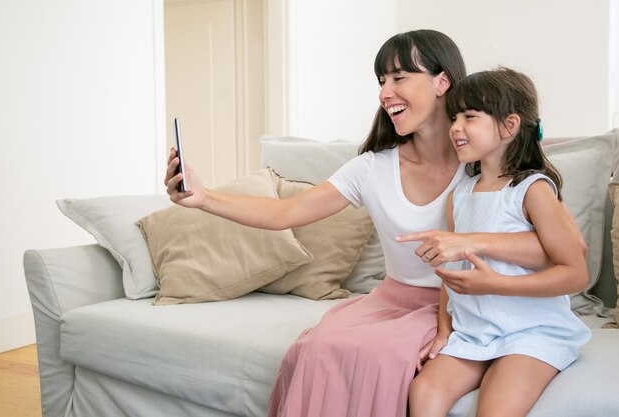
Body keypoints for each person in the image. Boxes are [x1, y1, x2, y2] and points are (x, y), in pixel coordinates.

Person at [165, 30, 571, 417]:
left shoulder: (482, 158)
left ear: (442, 82)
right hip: (392, 302)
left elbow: (559, 251)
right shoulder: (372, 168)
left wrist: (466, 250)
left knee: (382, 357)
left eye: (399, 77)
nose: (384, 93)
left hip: (457, 307)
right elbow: (284, 213)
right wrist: (204, 198)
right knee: (319, 347)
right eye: (381, 80)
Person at [408, 67, 591, 417]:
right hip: (474, 333)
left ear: (509, 126)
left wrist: (497, 284)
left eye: (469, 117)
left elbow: (576, 274)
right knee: (424, 391)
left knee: (495, 410)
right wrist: (445, 330)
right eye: (454, 117)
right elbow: (452, 273)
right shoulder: (459, 195)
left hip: (532, 332)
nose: (456, 127)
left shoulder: (532, 189)